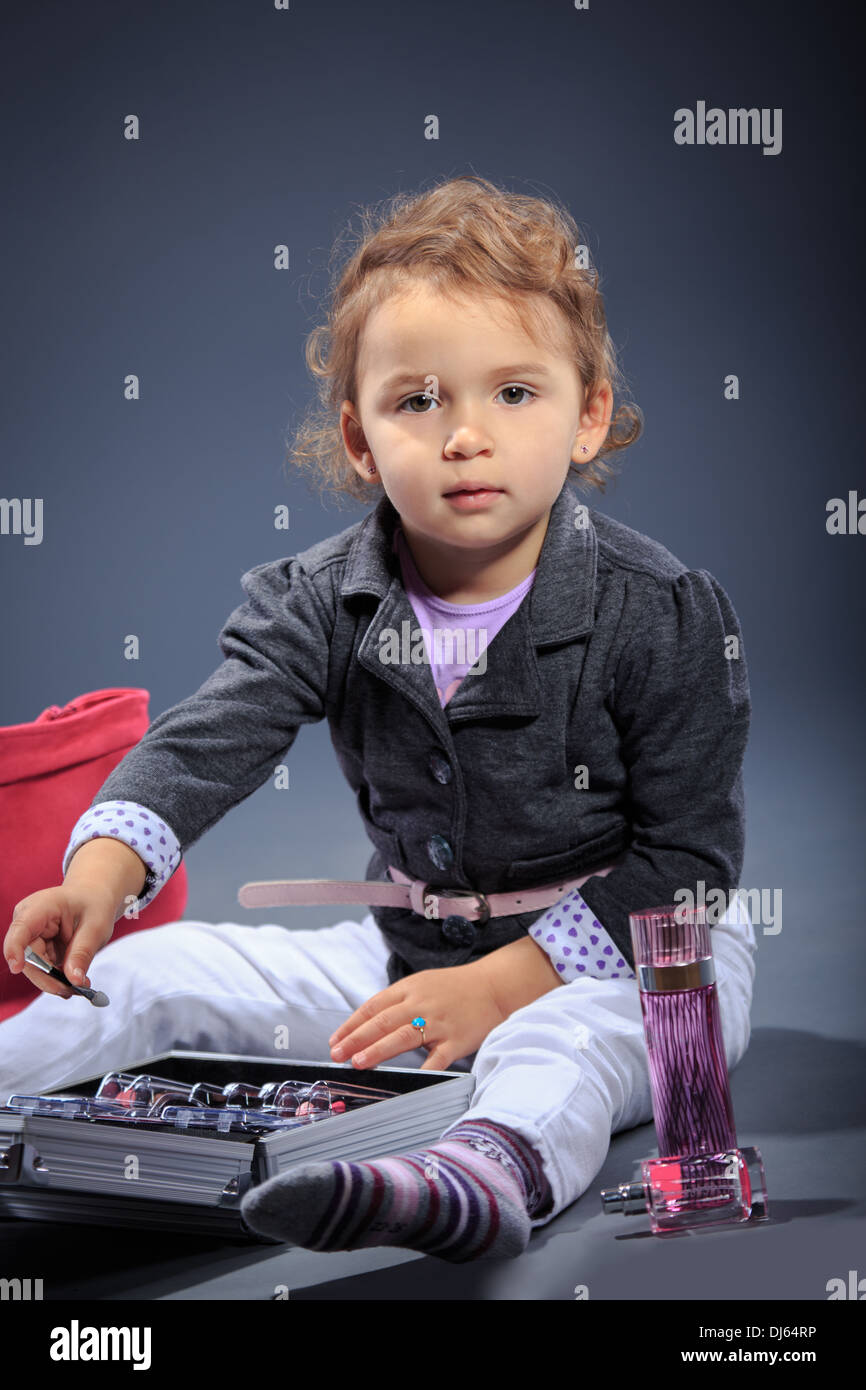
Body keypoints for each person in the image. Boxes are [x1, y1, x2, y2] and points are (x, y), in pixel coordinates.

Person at [1, 174, 757, 1263]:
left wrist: (501, 984)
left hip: (639, 958)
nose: (463, 437)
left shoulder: (658, 610)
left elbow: (686, 859)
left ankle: (472, 1175)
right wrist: (99, 877)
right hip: (407, 954)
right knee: (151, 970)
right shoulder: (319, 600)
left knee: (560, 1046)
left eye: (512, 393)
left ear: (586, 414)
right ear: (359, 441)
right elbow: (213, 736)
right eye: (418, 401)